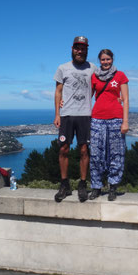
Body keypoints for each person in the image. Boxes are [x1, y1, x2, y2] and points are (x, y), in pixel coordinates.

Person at [53, 36, 97, 202]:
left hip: (85, 114)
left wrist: (118, 96)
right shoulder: (62, 68)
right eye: (77, 48)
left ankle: (82, 184)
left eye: (83, 48)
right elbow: (58, 91)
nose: (80, 51)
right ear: (72, 49)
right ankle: (64, 185)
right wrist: (57, 113)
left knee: (84, 150)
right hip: (67, 115)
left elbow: (99, 86)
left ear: (86, 50)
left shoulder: (93, 68)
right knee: (64, 149)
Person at [88, 49, 129, 201]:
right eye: (103, 60)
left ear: (112, 59)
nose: (105, 62)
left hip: (116, 118)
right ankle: (96, 186)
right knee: (96, 154)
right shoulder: (94, 76)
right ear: (100, 61)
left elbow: (126, 99)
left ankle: (113, 186)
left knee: (116, 153)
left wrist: (125, 121)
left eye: (108, 59)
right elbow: (87, 97)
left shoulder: (120, 76)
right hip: (97, 118)